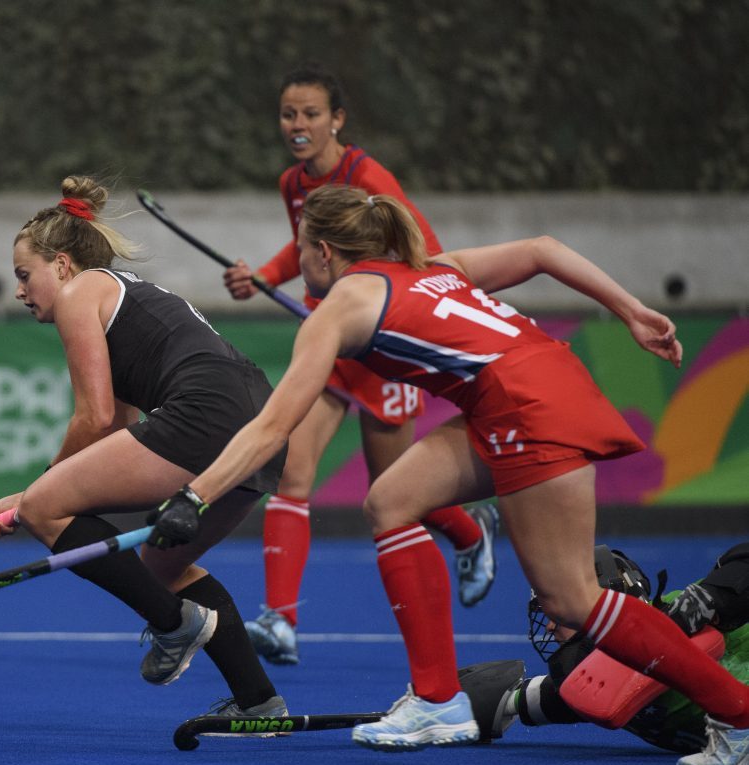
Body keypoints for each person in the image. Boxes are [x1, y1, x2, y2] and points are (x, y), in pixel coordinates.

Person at [147, 183, 749, 761]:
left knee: (572, 598)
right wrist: (633, 311)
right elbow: (542, 249)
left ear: (323, 251)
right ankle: (437, 699)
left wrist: (194, 496)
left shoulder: (337, 310)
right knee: (392, 500)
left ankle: (738, 714)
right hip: (522, 389)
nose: (298, 260)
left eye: (301, 247)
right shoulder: (432, 266)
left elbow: (274, 427)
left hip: (521, 405)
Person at [0, 175, 289, 724]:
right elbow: (120, 422)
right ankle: (259, 703)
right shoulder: (120, 293)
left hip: (207, 412)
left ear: (64, 265)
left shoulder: (79, 294)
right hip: (259, 423)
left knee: (46, 507)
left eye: (26, 276)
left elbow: (93, 419)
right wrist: (45, 498)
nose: (22, 291)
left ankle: (173, 624)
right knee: (162, 567)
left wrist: (31, 498)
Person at [218, 63, 498, 665]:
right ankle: (281, 621)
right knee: (292, 475)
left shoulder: (369, 177)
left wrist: (403, 316)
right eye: (289, 114)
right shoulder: (292, 181)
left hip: (379, 348)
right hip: (330, 344)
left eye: (311, 114)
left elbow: (422, 248)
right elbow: (310, 245)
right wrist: (263, 276)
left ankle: (474, 533)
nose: (298, 125)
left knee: (393, 488)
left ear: (337, 120)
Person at [497, 543, 749, 758]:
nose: (550, 626)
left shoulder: (678, 617)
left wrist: (712, 596)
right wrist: (503, 701)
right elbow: (555, 694)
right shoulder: (592, 680)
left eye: (559, 613)